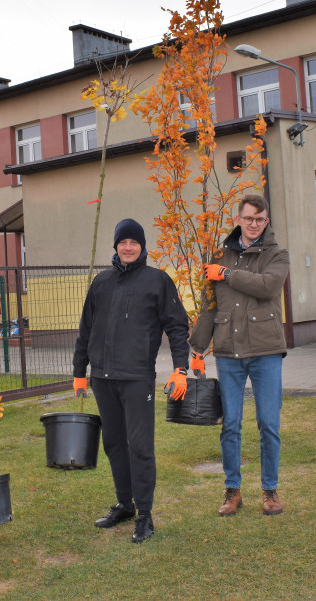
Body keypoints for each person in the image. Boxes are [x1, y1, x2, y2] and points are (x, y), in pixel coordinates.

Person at [72, 218, 190, 543]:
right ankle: (125, 504)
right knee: (113, 444)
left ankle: (145, 516)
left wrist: (181, 368)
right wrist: (79, 371)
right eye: (122, 242)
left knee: (140, 447)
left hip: (137, 379)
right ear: (116, 246)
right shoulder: (101, 283)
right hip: (103, 380)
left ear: (142, 246)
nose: (128, 247)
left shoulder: (158, 281)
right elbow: (85, 330)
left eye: (133, 242)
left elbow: (177, 326)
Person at [189, 193, 290, 517]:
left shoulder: (277, 255)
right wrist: (196, 348)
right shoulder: (220, 255)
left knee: (268, 423)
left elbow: (267, 287)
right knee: (230, 423)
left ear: (266, 221)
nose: (253, 224)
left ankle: (269, 491)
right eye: (248, 218)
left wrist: (228, 275)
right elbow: (210, 304)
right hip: (229, 352)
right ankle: (232, 491)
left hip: (266, 351)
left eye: (259, 220)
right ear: (239, 219)